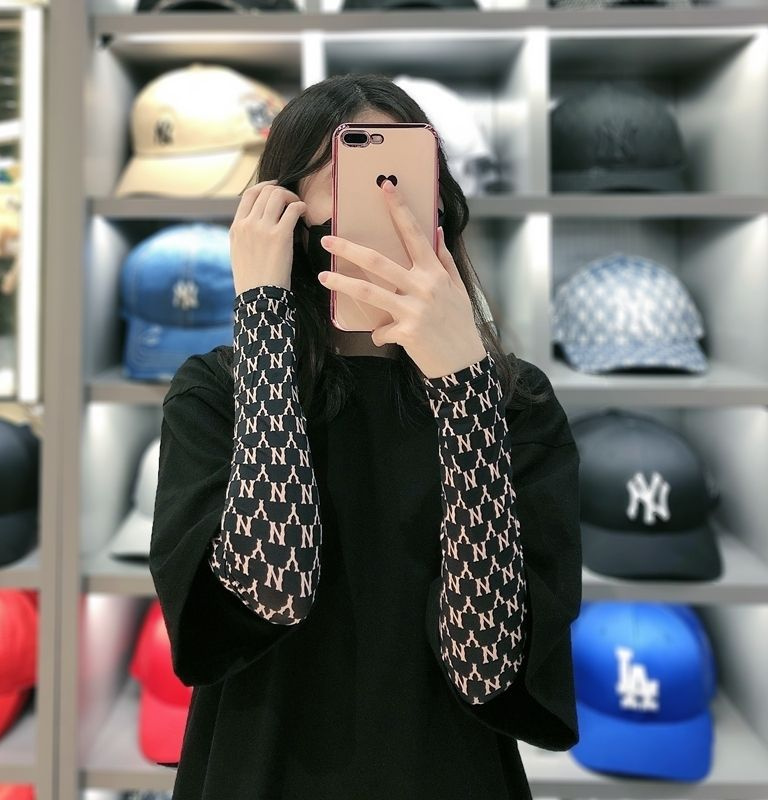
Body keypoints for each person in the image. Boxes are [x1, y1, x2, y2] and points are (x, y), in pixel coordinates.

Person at [149, 73, 583, 800]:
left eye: (397, 175)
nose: (377, 201)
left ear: (438, 198)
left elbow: (487, 662)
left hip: (445, 775)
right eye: (340, 173)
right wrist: (263, 316)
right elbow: (270, 590)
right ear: (283, 209)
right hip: (259, 767)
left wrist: (463, 387)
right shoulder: (216, 392)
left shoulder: (517, 402)